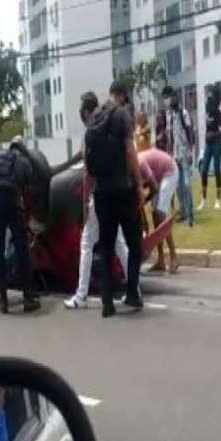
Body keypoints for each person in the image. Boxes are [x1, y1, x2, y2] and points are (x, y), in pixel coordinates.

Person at [64, 92, 130, 310]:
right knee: (120, 244)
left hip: (99, 195)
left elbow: (87, 174)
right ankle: (134, 288)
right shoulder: (110, 124)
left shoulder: (90, 134)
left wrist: (84, 203)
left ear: (84, 112)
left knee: (87, 244)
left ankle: (81, 295)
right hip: (118, 191)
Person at [85, 82, 144, 318]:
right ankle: (131, 292)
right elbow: (130, 151)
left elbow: (88, 163)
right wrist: (139, 183)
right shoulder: (121, 116)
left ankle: (107, 303)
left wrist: (89, 192)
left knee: (106, 247)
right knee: (135, 244)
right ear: (121, 95)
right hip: (123, 190)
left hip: (101, 192)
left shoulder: (94, 119)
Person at [0, 138, 40, 314]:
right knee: (22, 249)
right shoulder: (23, 161)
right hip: (11, 203)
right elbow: (29, 190)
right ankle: (28, 298)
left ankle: (2, 301)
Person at [138, 148, 179, 273]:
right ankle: (160, 260)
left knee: (161, 215)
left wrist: (144, 201)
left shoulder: (140, 164)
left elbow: (154, 188)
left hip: (169, 172)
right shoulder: (130, 170)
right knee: (155, 215)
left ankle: (174, 256)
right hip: (158, 176)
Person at [163, 86, 195, 226]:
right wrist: (169, 153)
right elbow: (170, 136)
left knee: (187, 184)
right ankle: (183, 211)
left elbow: (190, 131)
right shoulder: (169, 116)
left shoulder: (184, 113)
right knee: (178, 185)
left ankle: (190, 214)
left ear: (173, 97)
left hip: (184, 153)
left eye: (168, 97)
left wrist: (190, 151)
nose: (167, 101)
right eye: (165, 98)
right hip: (175, 154)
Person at [198, 89, 221, 211]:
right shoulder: (207, 112)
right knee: (204, 171)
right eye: (207, 98)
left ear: (214, 101)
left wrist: (214, 134)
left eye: (210, 98)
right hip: (208, 144)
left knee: (216, 171)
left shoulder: (217, 113)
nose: (208, 101)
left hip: (216, 143)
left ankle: (218, 200)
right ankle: (203, 200)